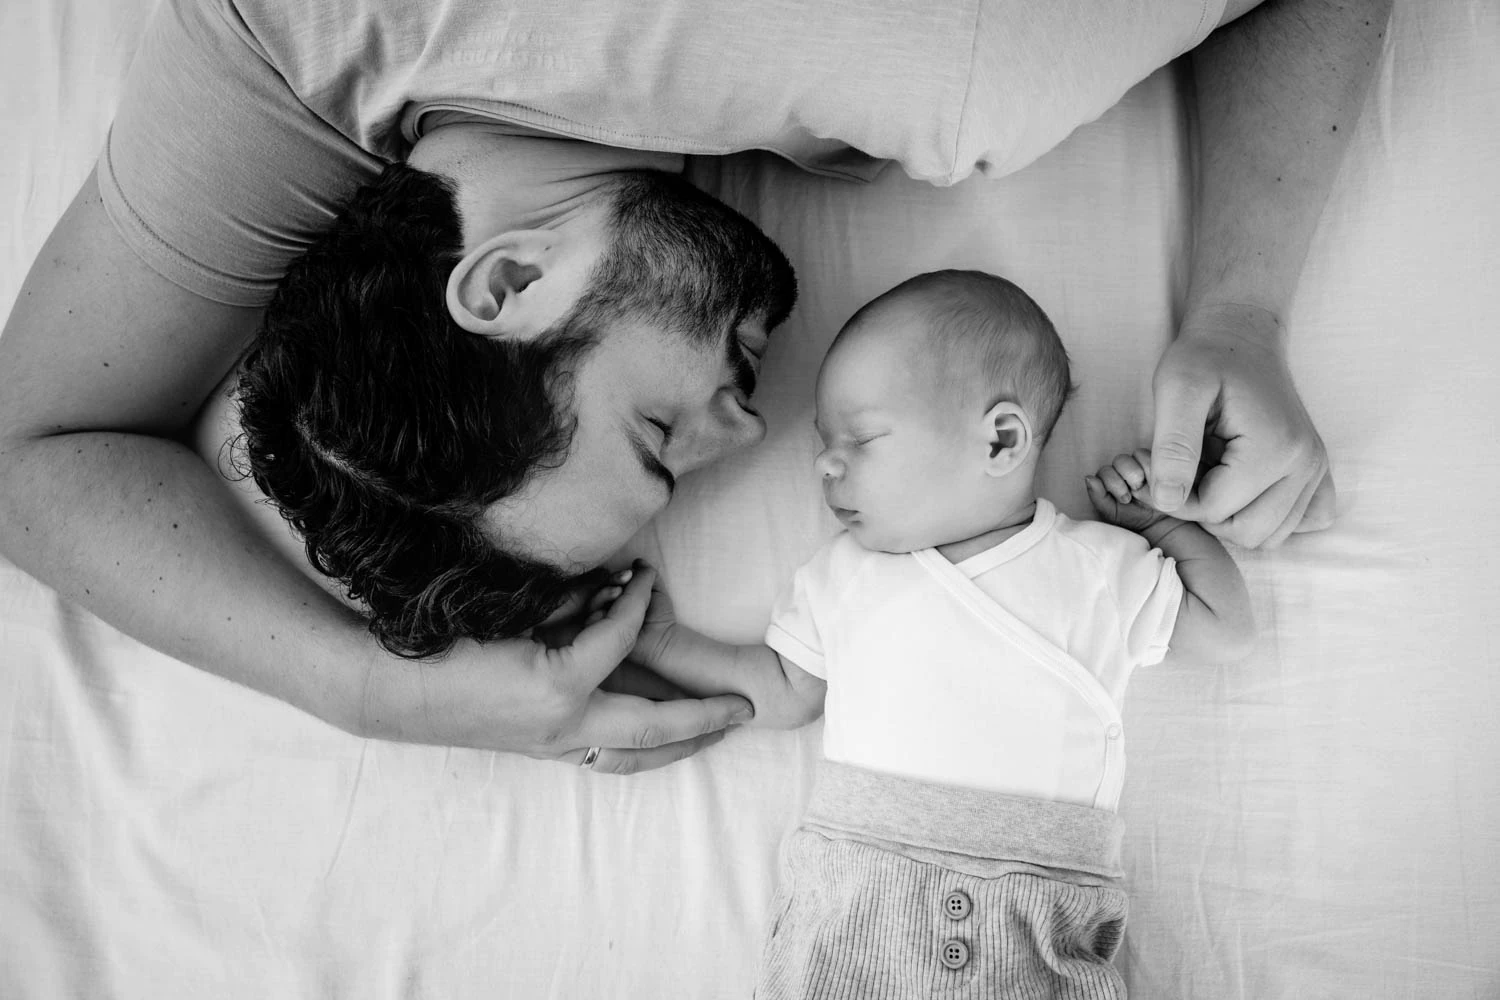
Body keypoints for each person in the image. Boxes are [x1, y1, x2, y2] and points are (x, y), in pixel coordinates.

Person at [0, 0, 1387, 770]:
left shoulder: (949, 65)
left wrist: (1245, 298)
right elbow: (29, 456)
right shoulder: (280, 38)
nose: (754, 424)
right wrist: (370, 694)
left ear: (505, 286)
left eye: (659, 431)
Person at [626, 270, 1255, 996]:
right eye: (825, 443)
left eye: (862, 437)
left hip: (1033, 913)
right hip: (857, 899)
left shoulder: (1097, 568)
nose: (826, 462)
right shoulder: (845, 574)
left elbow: (1225, 630)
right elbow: (784, 690)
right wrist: (664, 644)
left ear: (1000, 440)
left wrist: (1159, 525)